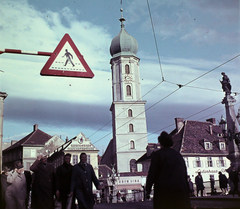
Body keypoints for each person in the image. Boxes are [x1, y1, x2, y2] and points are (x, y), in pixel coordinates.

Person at [146, 131, 191, 209]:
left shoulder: (157, 155)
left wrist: (148, 190)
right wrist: (188, 190)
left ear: (160, 143)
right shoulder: (178, 155)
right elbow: (184, 174)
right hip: (180, 191)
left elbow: (152, 174)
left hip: (163, 191)